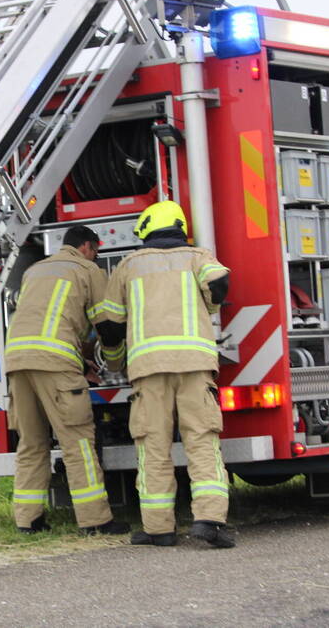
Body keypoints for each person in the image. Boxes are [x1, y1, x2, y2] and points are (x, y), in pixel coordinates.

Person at [100, 200, 235, 548]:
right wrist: (210, 304)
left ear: (145, 229)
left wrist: (114, 363)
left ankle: (158, 528)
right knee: (202, 441)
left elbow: (110, 325)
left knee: (153, 446)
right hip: (195, 365)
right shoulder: (198, 257)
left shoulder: (128, 266)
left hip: (148, 370)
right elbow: (220, 281)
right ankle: (209, 521)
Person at [4, 225, 130, 536]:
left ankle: (28, 521)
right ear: (87, 246)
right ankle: (95, 520)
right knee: (78, 443)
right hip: (55, 362)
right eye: (97, 249)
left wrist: (77, 359)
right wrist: (114, 363)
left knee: (32, 443)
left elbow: (49, 319)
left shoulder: (35, 270)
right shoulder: (88, 270)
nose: (97, 255)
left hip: (18, 362)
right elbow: (108, 326)